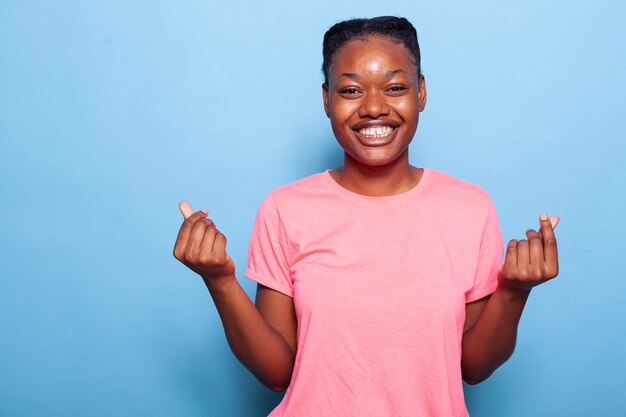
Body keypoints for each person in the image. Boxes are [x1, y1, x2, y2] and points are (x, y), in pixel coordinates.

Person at [173, 16, 559, 417]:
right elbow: (276, 373)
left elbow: (474, 367)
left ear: (421, 92)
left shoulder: (470, 208)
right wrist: (219, 281)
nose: (374, 108)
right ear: (327, 99)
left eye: (394, 88)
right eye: (351, 90)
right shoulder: (285, 209)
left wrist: (514, 292)